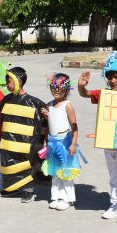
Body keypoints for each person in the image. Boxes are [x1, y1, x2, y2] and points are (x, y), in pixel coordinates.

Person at [78, 51, 117, 224]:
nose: (113, 81)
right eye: (110, 77)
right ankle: (115, 205)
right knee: (114, 176)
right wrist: (82, 86)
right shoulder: (104, 94)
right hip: (108, 143)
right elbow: (85, 94)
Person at [0, 67, 47, 202]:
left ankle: (28, 191)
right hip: (8, 141)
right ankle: (13, 187)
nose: (6, 84)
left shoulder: (33, 102)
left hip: (26, 143)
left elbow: (48, 119)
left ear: (19, 81)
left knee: (26, 164)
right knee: (9, 162)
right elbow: (0, 117)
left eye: (8, 81)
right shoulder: (7, 99)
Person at [43, 72, 80, 211]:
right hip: (52, 143)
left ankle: (67, 198)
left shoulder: (67, 105)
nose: (56, 89)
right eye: (54, 86)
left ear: (67, 89)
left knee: (65, 172)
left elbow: (74, 126)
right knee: (55, 171)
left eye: (60, 86)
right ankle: (55, 196)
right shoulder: (48, 106)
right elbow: (48, 125)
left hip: (65, 142)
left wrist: (73, 143)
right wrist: (46, 141)